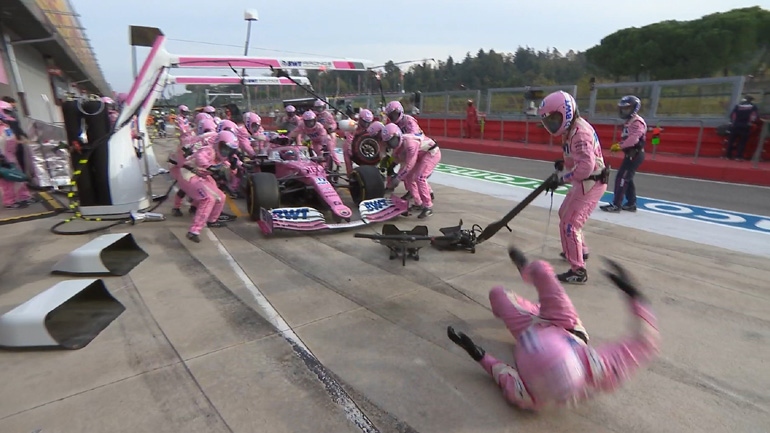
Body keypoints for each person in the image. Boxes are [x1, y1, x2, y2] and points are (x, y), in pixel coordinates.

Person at [447, 246, 660, 411]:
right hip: (565, 324)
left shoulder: (527, 395)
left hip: (528, 330)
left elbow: (502, 374)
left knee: (497, 294)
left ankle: (529, 302)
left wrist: (477, 353)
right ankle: (528, 272)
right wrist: (634, 295)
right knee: (542, 270)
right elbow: (645, 342)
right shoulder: (597, 367)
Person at [540, 91, 608, 284]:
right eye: (548, 120)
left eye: (554, 118)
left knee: (570, 225)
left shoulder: (580, 134)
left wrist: (562, 179)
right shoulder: (571, 130)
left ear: (566, 112)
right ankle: (581, 250)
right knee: (564, 214)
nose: (551, 124)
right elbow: (575, 159)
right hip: (585, 181)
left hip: (591, 182)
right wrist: (563, 165)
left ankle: (578, 271)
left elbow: (586, 167)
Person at [381, 123, 440, 219]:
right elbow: (397, 157)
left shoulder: (410, 143)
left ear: (398, 135)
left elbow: (409, 165)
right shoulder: (399, 145)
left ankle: (428, 206)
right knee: (408, 178)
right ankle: (418, 203)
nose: (392, 144)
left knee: (420, 177)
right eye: (389, 142)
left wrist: (398, 177)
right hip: (421, 155)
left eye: (392, 140)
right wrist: (391, 165)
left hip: (431, 153)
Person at [601, 96, 647, 213]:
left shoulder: (637, 122)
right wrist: (620, 144)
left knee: (621, 178)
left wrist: (619, 146)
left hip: (635, 154)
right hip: (631, 154)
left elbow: (634, 139)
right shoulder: (630, 121)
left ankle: (616, 205)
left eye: (627, 108)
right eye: (623, 109)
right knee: (627, 178)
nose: (624, 111)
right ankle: (631, 203)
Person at [0, 102, 32, 209]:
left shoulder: (5, 126)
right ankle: (9, 202)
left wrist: (22, 142)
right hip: (3, 158)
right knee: (7, 181)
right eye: (7, 111)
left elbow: (11, 140)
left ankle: (24, 196)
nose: (10, 113)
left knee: (19, 177)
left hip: (11, 156)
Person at [725, 96, 759, 160]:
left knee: (731, 141)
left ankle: (728, 155)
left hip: (735, 126)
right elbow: (754, 116)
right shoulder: (753, 107)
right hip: (745, 126)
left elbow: (733, 116)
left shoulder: (737, 106)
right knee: (742, 142)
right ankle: (738, 156)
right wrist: (751, 123)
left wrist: (732, 123)